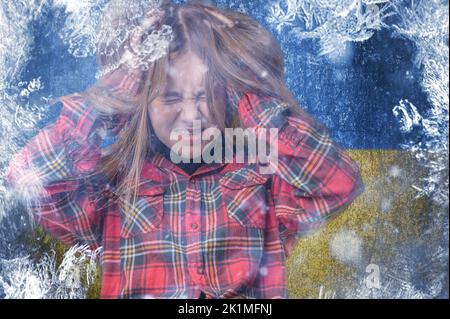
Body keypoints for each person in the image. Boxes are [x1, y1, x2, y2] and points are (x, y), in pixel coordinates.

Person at [4, 0, 364, 299]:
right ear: (140, 101)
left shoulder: (263, 176)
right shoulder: (112, 189)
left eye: (207, 94)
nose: (192, 115)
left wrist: (234, 73)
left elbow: (336, 183)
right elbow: (30, 180)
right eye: (171, 96)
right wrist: (129, 76)